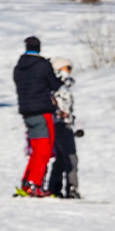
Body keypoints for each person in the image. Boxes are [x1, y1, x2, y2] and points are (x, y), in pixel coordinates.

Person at [12, 35, 60, 197]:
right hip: (42, 111)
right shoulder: (43, 65)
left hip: (26, 112)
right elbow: (54, 85)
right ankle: (34, 184)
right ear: (39, 48)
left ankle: (27, 183)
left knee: (35, 150)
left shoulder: (18, 67)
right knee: (44, 150)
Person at [47, 57, 80, 199]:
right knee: (70, 158)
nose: (70, 72)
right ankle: (70, 189)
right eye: (68, 68)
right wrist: (60, 114)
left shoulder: (62, 86)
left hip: (63, 124)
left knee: (62, 158)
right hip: (60, 124)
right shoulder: (57, 85)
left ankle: (55, 187)